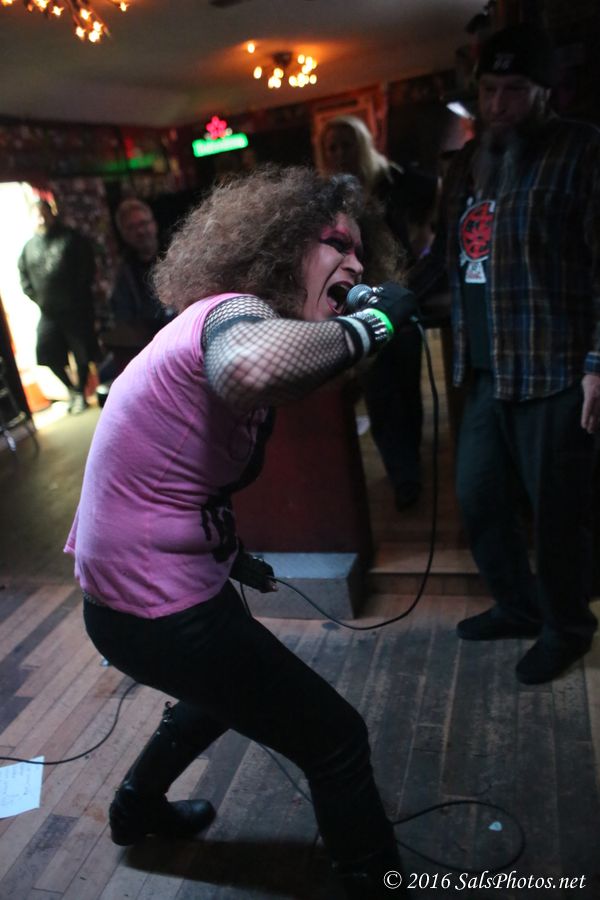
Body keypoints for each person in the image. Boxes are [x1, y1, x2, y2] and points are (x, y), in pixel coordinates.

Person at [65, 167, 418, 898]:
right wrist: (372, 325)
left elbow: (177, 473)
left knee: (220, 694)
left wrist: (231, 555)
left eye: (362, 253)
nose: (357, 264)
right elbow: (250, 369)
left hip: (154, 590)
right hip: (151, 607)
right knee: (336, 739)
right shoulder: (231, 312)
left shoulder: (228, 321)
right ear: (281, 249)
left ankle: (135, 808)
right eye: (338, 244)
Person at [408, 23, 600, 684]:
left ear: (546, 91)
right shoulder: (469, 161)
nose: (498, 104)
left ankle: (567, 627)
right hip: (484, 368)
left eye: (514, 89)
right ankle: (518, 607)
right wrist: (388, 296)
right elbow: (444, 254)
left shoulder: (583, 151)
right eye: (489, 90)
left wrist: (598, 365)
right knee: (480, 497)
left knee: (557, 515)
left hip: (555, 366)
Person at [317, 115, 437, 510]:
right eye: (331, 147)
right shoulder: (326, 197)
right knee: (380, 392)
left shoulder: (390, 180)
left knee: (407, 387)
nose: (339, 153)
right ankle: (405, 478)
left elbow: (435, 195)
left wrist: (424, 244)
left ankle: (410, 462)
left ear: (362, 145)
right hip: (357, 303)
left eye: (346, 144)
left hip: (401, 295)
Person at [18, 199, 97, 414]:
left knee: (81, 353)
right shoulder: (29, 247)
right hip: (48, 311)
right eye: (37, 215)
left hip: (74, 308)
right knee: (47, 352)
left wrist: (77, 297)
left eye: (45, 213)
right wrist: (40, 300)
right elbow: (24, 278)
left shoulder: (70, 238)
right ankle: (72, 390)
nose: (42, 219)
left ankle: (81, 391)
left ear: (52, 214)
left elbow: (86, 268)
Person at [101, 198, 174, 378]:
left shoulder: (176, 255)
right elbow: (123, 317)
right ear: (124, 235)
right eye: (132, 228)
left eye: (143, 223)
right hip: (146, 347)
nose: (140, 231)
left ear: (153, 225)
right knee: (105, 375)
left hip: (179, 335)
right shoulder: (124, 272)